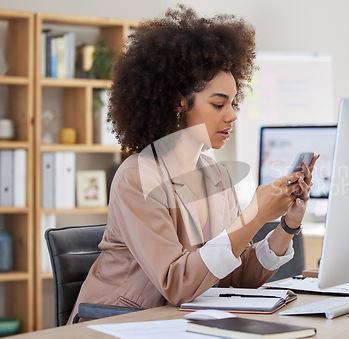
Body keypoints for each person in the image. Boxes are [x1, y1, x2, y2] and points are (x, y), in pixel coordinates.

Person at [68, 5, 318, 324]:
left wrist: (286, 225)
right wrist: (254, 216)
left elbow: (234, 274)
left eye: (234, 103)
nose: (231, 115)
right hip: (117, 323)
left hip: (178, 323)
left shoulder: (216, 175)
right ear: (179, 101)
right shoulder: (137, 177)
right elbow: (177, 282)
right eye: (218, 103)